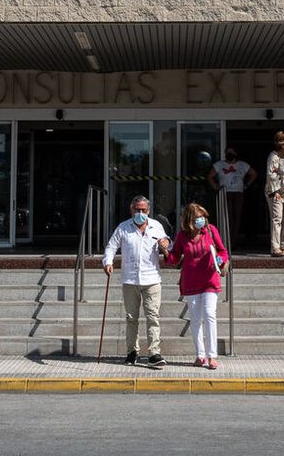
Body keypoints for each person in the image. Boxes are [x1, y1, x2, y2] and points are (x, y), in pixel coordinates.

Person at [102, 195, 171, 368]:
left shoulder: (156, 226)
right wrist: (108, 262)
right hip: (130, 278)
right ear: (131, 210)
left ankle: (154, 353)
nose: (140, 213)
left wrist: (165, 244)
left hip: (152, 278)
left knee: (153, 317)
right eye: (137, 210)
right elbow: (111, 246)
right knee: (131, 318)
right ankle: (132, 351)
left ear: (149, 210)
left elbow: (167, 244)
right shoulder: (123, 227)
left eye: (143, 210)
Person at [164, 202, 229, 369]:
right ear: (189, 220)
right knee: (195, 318)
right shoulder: (182, 236)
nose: (202, 220)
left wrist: (220, 260)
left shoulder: (211, 231)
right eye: (198, 218)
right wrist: (164, 251)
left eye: (203, 217)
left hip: (210, 279)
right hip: (191, 281)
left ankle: (212, 355)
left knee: (209, 314)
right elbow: (174, 258)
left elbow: (222, 251)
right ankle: (200, 355)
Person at [207, 147, 253, 249]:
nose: (229, 154)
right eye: (227, 152)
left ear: (236, 154)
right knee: (228, 218)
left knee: (237, 217)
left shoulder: (242, 165)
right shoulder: (220, 164)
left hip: (238, 193)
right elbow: (210, 176)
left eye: (231, 152)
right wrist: (215, 186)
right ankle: (225, 241)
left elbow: (253, 174)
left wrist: (247, 184)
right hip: (225, 193)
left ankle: (234, 242)